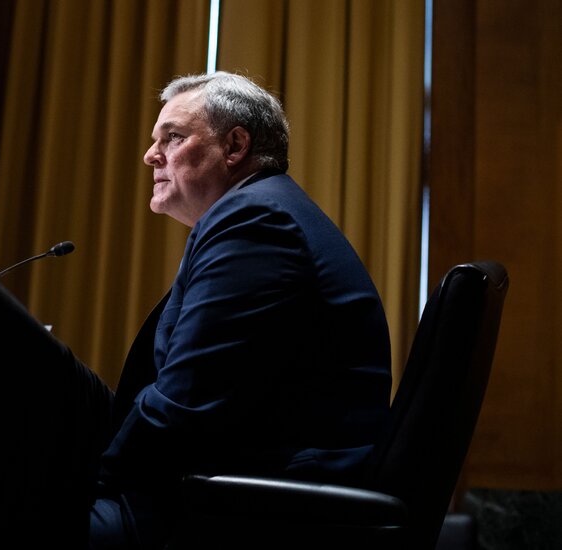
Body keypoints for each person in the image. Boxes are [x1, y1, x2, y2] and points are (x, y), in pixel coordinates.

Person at [88, 72, 393, 549]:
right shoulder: (262, 212)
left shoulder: (257, 221)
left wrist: (92, 476)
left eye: (173, 137)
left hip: (255, 508)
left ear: (234, 146)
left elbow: (183, 405)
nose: (151, 155)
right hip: (239, 487)